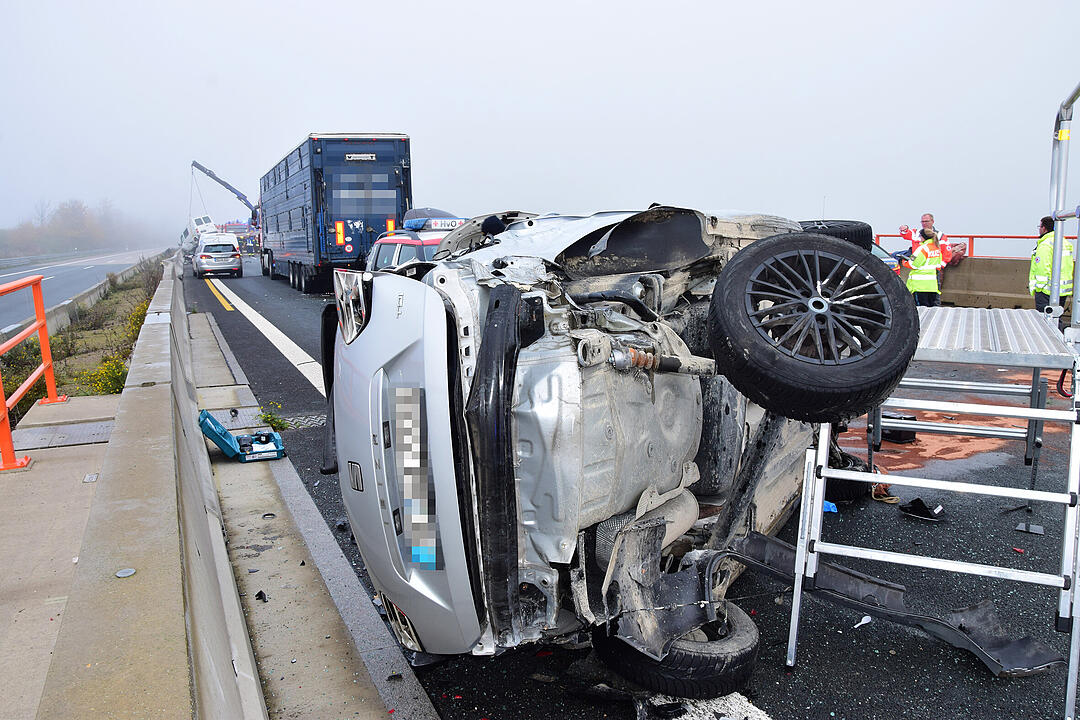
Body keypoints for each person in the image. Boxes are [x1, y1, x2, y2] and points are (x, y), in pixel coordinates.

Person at [1029, 215, 1074, 313]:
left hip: (1046, 290)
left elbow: (1042, 267)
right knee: (1057, 316)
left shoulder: (1045, 244)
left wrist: (1039, 288)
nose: (1039, 229)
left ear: (1044, 228)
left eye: (1039, 227)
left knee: (1044, 318)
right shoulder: (1065, 243)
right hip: (1062, 290)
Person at [903, 226, 952, 306]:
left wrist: (905, 262)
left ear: (923, 237)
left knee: (921, 309)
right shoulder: (937, 248)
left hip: (919, 285)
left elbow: (913, 264)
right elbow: (938, 265)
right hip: (932, 286)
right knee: (931, 309)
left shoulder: (922, 248)